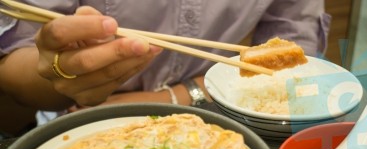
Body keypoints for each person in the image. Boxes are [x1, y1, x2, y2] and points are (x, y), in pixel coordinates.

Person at [0, 0, 330, 125]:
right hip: (76, 123)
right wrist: (64, 74)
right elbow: (15, 61)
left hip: (214, 119)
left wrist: (176, 97)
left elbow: (294, 61)